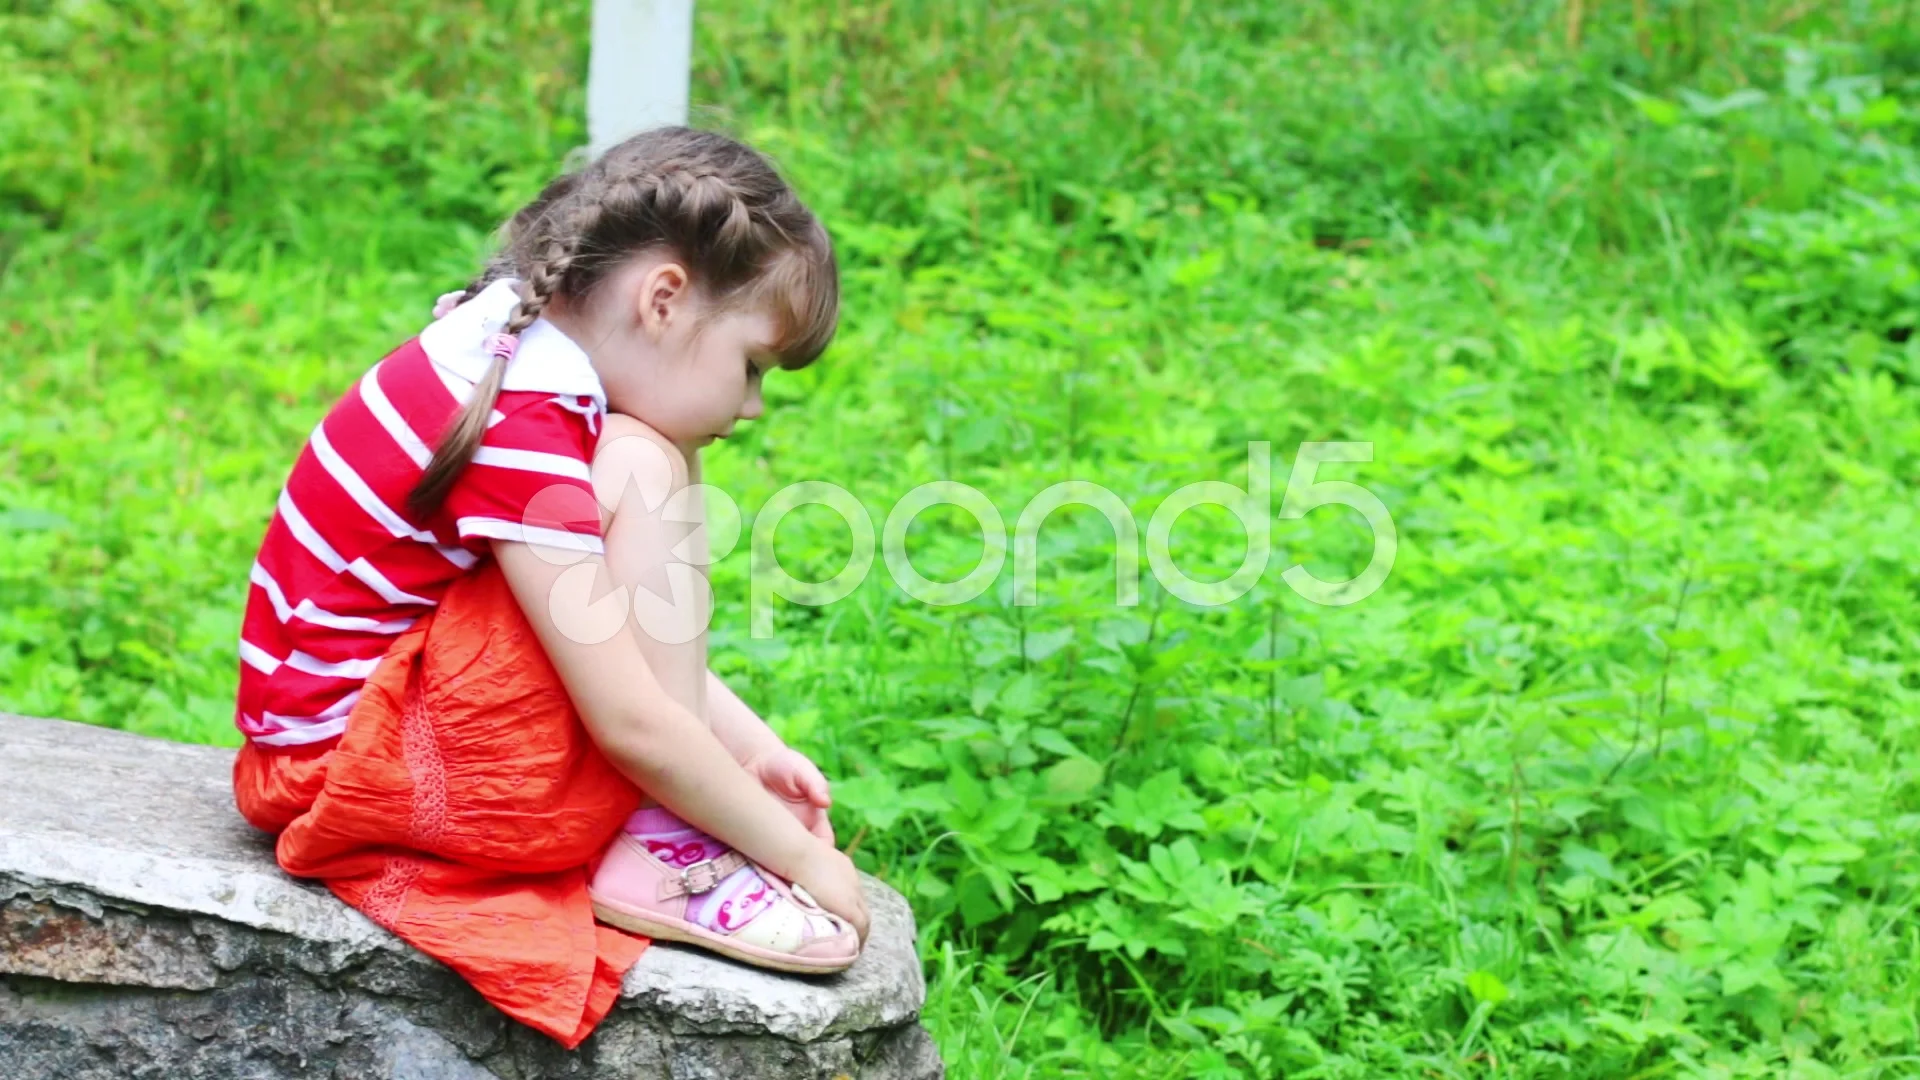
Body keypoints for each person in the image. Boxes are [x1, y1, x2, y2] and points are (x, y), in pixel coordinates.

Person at [230, 126, 869, 1049]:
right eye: (754, 366)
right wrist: (807, 862)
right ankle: (662, 841)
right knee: (648, 459)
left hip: (350, 733)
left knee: (647, 453)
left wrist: (740, 751)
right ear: (664, 299)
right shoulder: (526, 417)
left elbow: (584, 620)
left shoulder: (510, 342)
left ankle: (672, 816)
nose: (754, 405)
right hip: (349, 772)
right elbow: (630, 720)